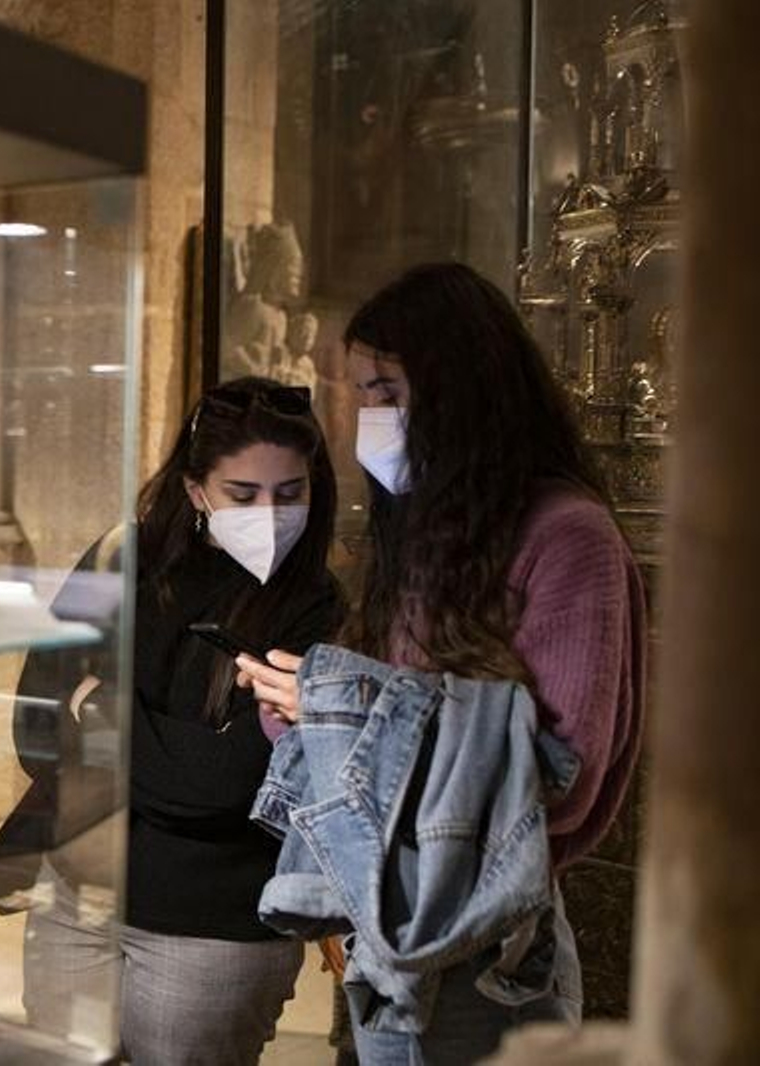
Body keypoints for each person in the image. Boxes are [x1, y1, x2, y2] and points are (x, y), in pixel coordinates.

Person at [237, 262, 645, 1063]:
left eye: (387, 391)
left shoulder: (568, 536)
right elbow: (374, 709)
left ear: (463, 389)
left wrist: (340, 706)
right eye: (360, 395)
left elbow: (561, 772)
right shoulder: (426, 538)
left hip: (490, 946)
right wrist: (297, 707)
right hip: (384, 921)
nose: (369, 420)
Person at [0, 377, 346, 1064]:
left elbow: (223, 785)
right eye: (244, 494)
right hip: (77, 895)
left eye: (289, 493)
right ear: (196, 491)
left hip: (212, 931)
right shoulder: (124, 558)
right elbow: (36, 722)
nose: (269, 513)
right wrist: (173, 746)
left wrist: (97, 707)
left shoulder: (321, 611)